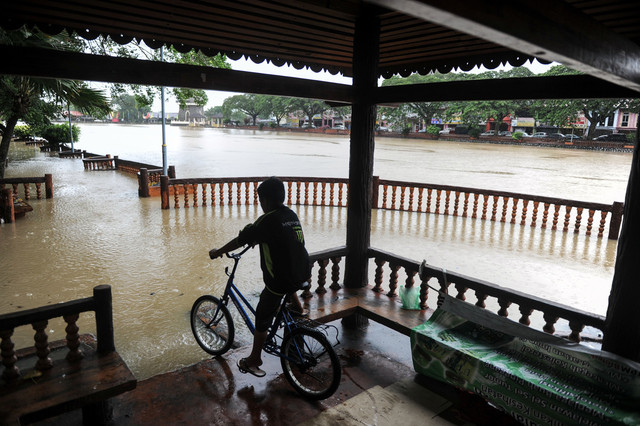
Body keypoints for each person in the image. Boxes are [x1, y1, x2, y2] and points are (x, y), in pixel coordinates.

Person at [209, 177, 310, 377]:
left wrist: (218, 251)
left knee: (262, 317)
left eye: (260, 200)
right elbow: (280, 239)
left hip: (279, 281)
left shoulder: (267, 220)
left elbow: (240, 240)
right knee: (286, 283)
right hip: (302, 272)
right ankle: (298, 307)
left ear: (264, 200)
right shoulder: (290, 214)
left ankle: (254, 359)